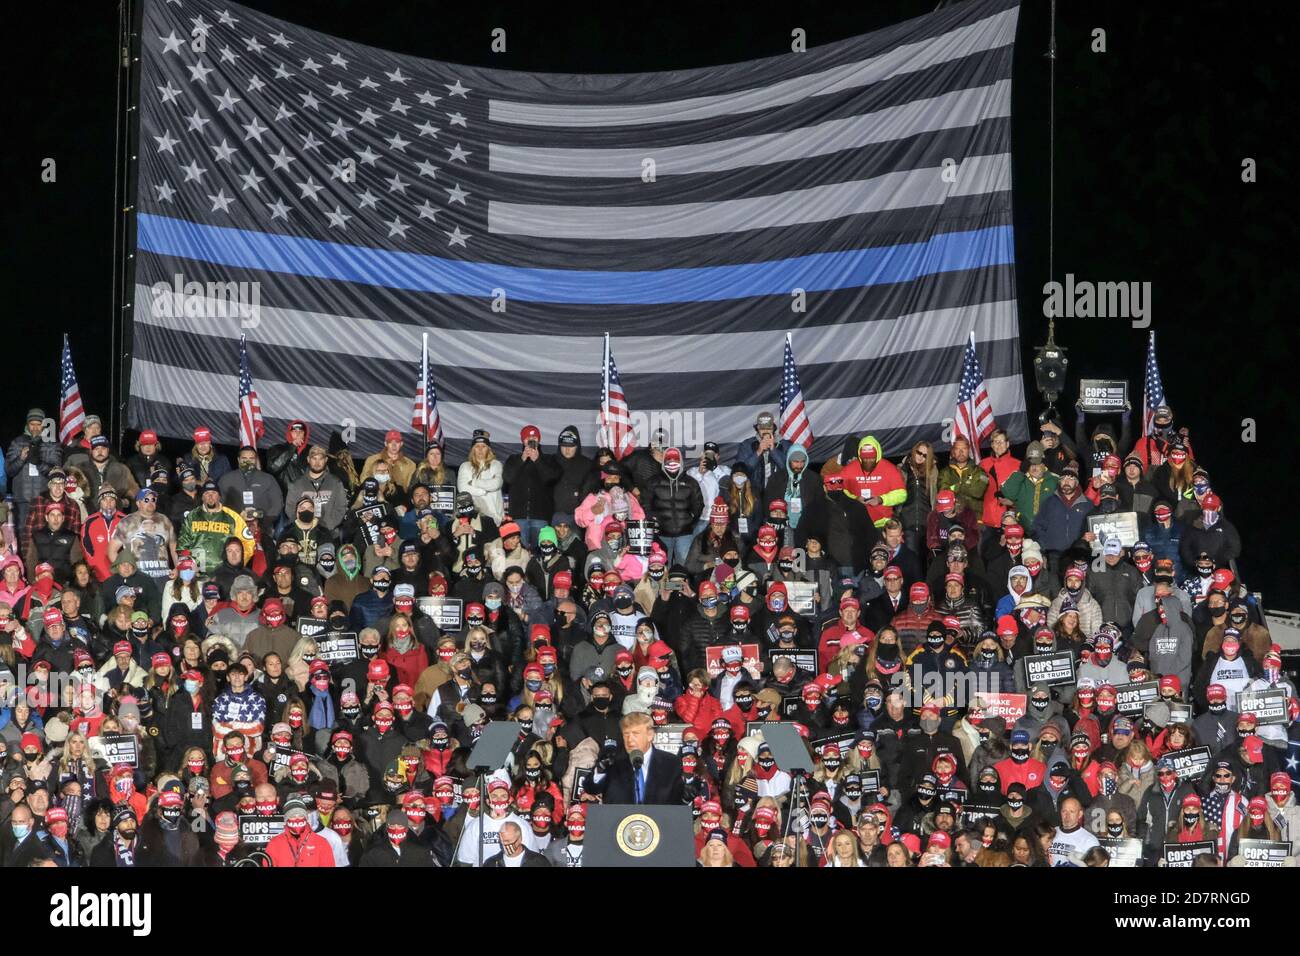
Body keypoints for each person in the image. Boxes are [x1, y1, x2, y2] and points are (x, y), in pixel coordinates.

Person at [588, 712, 685, 805]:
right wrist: (600, 771)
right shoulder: (613, 762)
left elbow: (678, 801)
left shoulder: (671, 763)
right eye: (626, 734)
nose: (630, 740)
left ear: (650, 735)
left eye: (635, 734)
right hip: (618, 820)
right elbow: (591, 789)